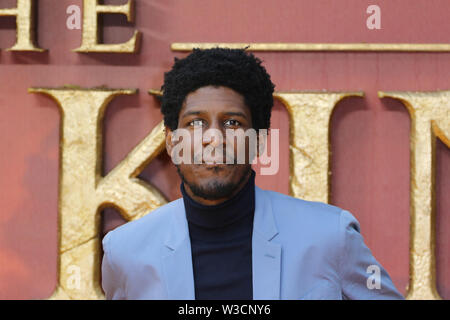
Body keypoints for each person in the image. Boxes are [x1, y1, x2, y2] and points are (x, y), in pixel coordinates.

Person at [101, 47, 404, 300]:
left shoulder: (330, 237)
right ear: (171, 141)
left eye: (232, 123)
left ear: (258, 140)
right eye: (195, 123)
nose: (213, 138)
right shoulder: (126, 251)